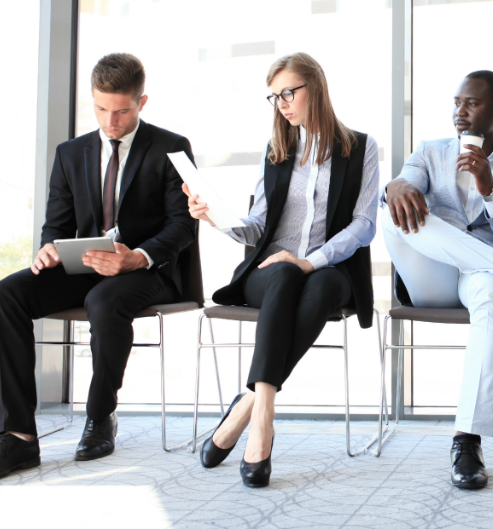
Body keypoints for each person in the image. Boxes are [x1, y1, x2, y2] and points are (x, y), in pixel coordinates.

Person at [0, 53, 196, 480]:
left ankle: (100, 415)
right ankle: (17, 437)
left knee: (104, 300)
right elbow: (56, 224)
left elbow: (183, 225)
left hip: (149, 270)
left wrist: (136, 257)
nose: (111, 120)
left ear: (142, 102)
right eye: (101, 109)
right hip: (84, 267)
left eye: (122, 110)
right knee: (4, 295)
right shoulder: (70, 153)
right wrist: (47, 250)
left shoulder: (171, 147)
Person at [187, 52, 378, 488]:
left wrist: (310, 259)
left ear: (317, 88)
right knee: (287, 273)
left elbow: (364, 225)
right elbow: (256, 228)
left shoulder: (361, 148)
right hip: (269, 272)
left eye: (289, 92)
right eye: (274, 97)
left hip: (328, 268)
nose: (282, 104)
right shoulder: (275, 152)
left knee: (321, 282)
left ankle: (248, 406)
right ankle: (263, 420)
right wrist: (216, 218)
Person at [382, 70, 493, 490]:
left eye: (471, 104)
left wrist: (491, 192)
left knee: (492, 295)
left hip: (483, 275)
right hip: (433, 277)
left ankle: (467, 440)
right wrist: (396, 187)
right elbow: (405, 184)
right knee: (389, 215)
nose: (459, 112)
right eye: (456, 102)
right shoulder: (429, 152)